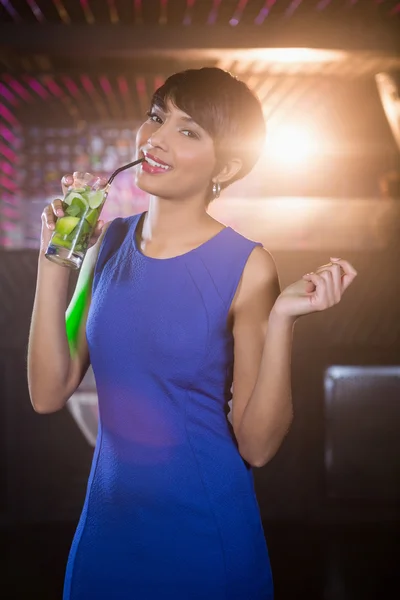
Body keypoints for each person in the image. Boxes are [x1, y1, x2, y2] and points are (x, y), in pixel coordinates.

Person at [27, 67, 357, 599]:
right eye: (158, 117)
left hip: (205, 541)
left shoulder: (248, 266)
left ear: (225, 166)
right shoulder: (107, 241)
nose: (155, 138)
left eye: (188, 130)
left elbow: (257, 446)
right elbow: (47, 392)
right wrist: (56, 254)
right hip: (106, 540)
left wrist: (280, 320)